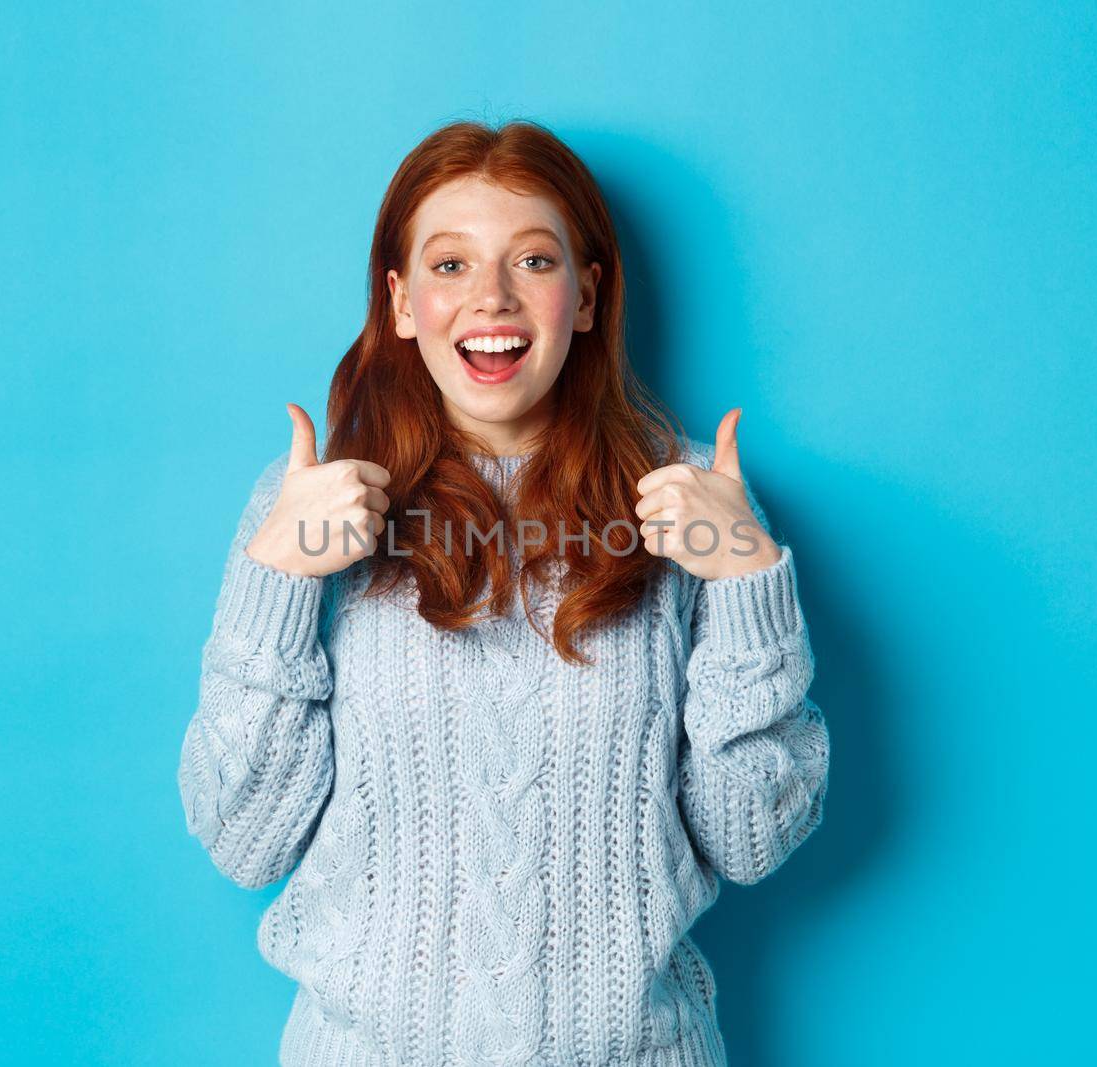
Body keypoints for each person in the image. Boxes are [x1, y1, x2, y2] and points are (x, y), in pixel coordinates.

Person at [176, 119, 829, 1066]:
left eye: (532, 259)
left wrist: (748, 584)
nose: (491, 296)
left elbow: (753, 837)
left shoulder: (691, 501)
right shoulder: (307, 507)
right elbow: (244, 839)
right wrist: (271, 583)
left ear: (589, 295)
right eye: (449, 265)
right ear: (399, 301)